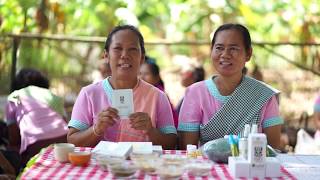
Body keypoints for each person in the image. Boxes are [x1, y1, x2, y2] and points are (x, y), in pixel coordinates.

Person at [67, 25, 177, 149]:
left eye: (132, 49)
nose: (124, 55)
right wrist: (96, 129)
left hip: (142, 167)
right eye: (118, 48)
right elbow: (72, 141)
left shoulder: (157, 96)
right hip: (100, 167)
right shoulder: (89, 94)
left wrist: (151, 130)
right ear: (106, 56)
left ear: (142, 58)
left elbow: (172, 143)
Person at [178, 23, 283, 150]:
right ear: (211, 51)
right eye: (219, 48)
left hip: (250, 167)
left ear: (248, 53)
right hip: (206, 167)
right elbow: (188, 148)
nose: (225, 54)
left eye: (233, 48)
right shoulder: (195, 93)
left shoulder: (263, 95)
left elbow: (273, 148)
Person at [5, 68, 68, 167]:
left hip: (36, 144)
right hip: (64, 140)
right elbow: (65, 122)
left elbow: (14, 137)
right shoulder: (51, 95)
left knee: (12, 149)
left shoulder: (14, 96)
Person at [139, 60, 179, 128]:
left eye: (146, 74)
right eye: (139, 73)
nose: (142, 77)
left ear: (156, 77)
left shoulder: (159, 95)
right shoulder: (142, 93)